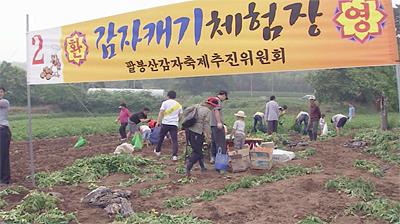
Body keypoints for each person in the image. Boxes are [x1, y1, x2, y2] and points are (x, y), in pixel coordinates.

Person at [186, 97, 219, 177]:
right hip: (197, 132)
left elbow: (186, 111)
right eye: (213, 106)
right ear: (210, 105)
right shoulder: (207, 111)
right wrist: (208, 136)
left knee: (198, 149)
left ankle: (202, 167)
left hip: (189, 130)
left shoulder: (197, 106)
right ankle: (188, 168)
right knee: (197, 152)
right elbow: (206, 125)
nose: (213, 108)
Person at [154, 91, 183, 161]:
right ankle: (174, 156)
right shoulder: (178, 105)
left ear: (168, 96)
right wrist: (177, 121)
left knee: (161, 137)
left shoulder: (165, 103)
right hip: (174, 124)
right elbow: (181, 115)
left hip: (165, 123)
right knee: (174, 140)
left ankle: (158, 151)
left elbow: (161, 113)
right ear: (175, 96)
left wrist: (158, 122)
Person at [209, 90, 228, 164]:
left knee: (214, 141)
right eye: (225, 97)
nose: (224, 100)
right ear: (223, 95)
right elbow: (216, 111)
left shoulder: (212, 100)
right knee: (220, 143)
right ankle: (220, 160)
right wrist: (219, 122)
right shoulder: (217, 100)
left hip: (212, 124)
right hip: (216, 125)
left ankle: (213, 157)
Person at [0, 87, 11, 185]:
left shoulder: (4, 102)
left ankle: (5, 179)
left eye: (1, 91)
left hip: (3, 131)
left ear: (4, 93)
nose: (0, 93)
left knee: (3, 155)